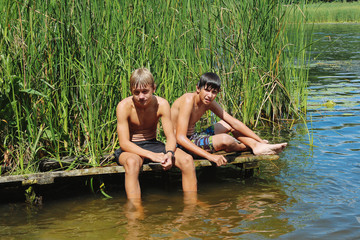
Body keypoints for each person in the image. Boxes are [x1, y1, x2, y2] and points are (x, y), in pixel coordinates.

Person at [114, 68, 197, 201]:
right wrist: (152, 156)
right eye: (137, 92)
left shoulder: (162, 104)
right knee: (132, 162)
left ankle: (191, 206)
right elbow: (124, 143)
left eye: (145, 91)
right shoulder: (123, 106)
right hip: (131, 148)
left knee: (187, 160)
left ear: (153, 88)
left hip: (153, 144)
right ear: (131, 91)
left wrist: (169, 154)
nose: (141, 96)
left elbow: (170, 137)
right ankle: (136, 212)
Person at [171, 72, 287, 167]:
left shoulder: (209, 102)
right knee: (226, 140)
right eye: (207, 90)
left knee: (227, 124)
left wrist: (260, 140)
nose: (210, 95)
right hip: (181, 146)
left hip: (194, 137)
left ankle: (257, 146)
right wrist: (210, 156)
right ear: (198, 88)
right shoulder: (188, 101)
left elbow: (233, 122)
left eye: (214, 92)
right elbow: (180, 138)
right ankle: (244, 147)